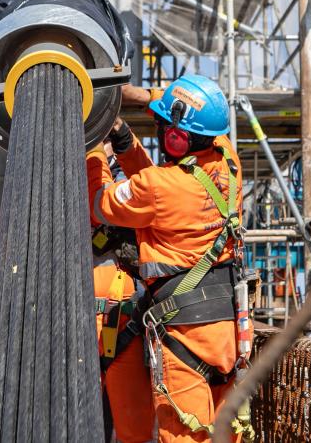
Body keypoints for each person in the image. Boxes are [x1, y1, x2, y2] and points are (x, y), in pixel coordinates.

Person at [87, 75, 252, 442]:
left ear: (177, 136)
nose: (161, 132)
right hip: (227, 331)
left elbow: (101, 202)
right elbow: (199, 111)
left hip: (184, 336)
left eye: (164, 127)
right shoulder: (229, 162)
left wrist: (96, 148)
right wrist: (127, 132)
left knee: (184, 435)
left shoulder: (159, 186)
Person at [90, 146, 155, 443]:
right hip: (90, 318)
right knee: (85, 421)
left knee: (134, 423)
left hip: (128, 319)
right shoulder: (70, 175)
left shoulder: (137, 173)